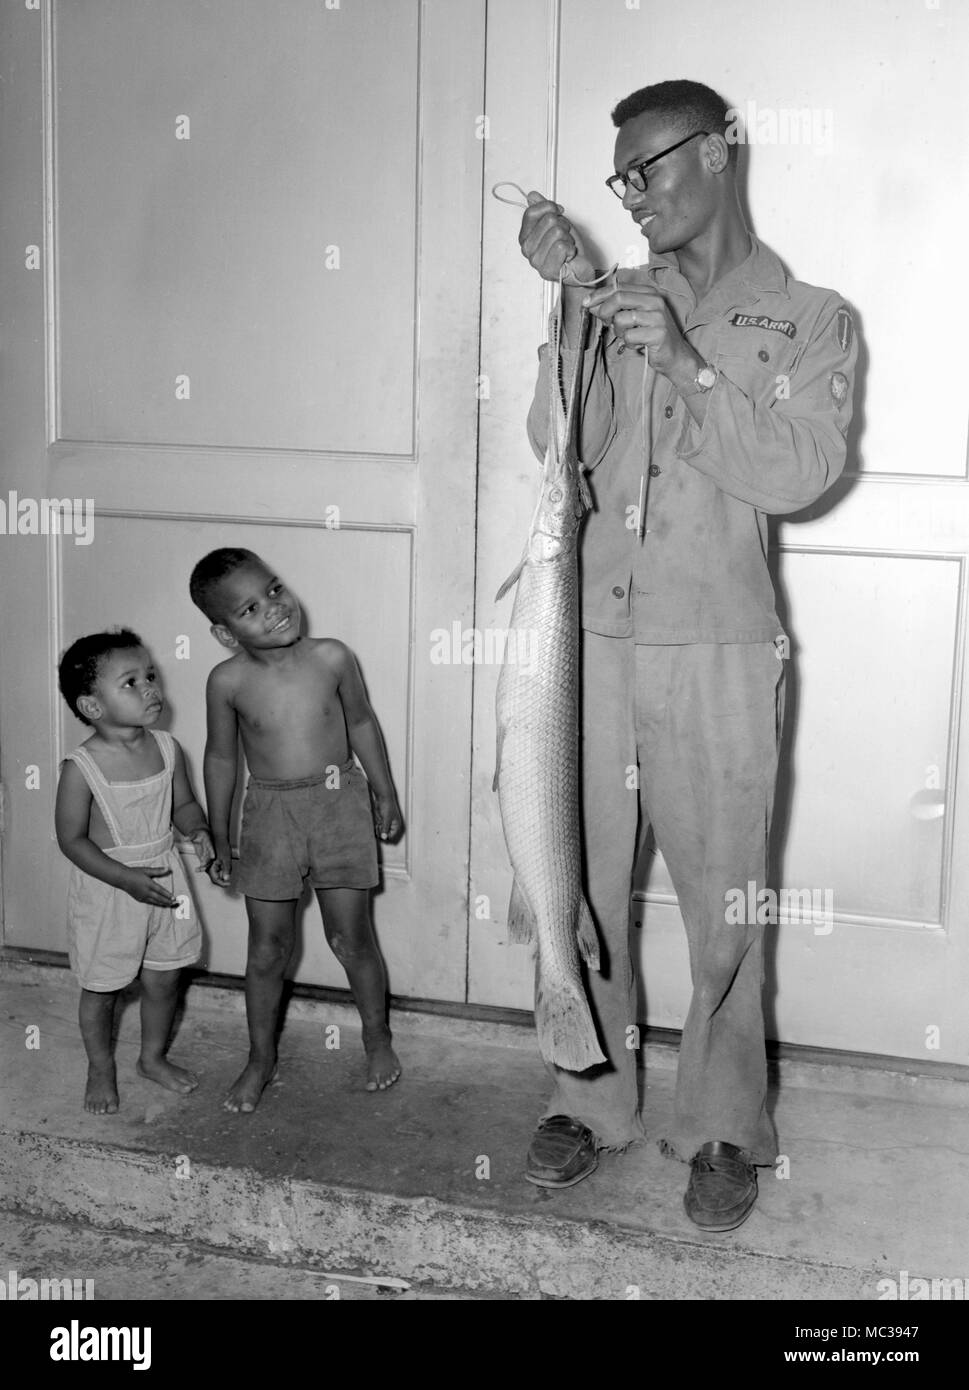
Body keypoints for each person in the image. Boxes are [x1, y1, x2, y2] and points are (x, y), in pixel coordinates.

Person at [516, 79, 856, 1229]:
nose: (632, 194)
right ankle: (587, 1093)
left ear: (719, 151)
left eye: (649, 167)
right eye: (619, 177)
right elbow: (561, 445)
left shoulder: (811, 317)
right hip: (592, 638)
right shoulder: (615, 298)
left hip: (716, 645)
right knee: (577, 875)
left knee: (726, 904)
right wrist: (573, 302)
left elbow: (801, 472)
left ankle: (722, 1127)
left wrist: (688, 366)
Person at [190, 548, 403, 1113]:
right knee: (267, 950)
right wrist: (220, 834)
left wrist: (384, 791)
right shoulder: (227, 681)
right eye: (250, 609)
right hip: (270, 815)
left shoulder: (332, 657)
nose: (274, 609)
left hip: (339, 806)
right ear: (225, 633)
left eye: (275, 590)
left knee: (350, 938)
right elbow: (221, 758)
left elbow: (362, 722)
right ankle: (260, 1058)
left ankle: (377, 1037)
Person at [55, 629, 211, 1114]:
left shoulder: (167, 748)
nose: (150, 688)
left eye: (151, 676)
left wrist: (198, 831)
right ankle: (101, 1067)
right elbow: (71, 840)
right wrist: (124, 879)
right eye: (131, 682)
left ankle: (152, 1057)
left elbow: (183, 805)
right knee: (103, 988)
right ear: (92, 706)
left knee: (165, 977)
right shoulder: (81, 768)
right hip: (111, 890)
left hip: (165, 882)